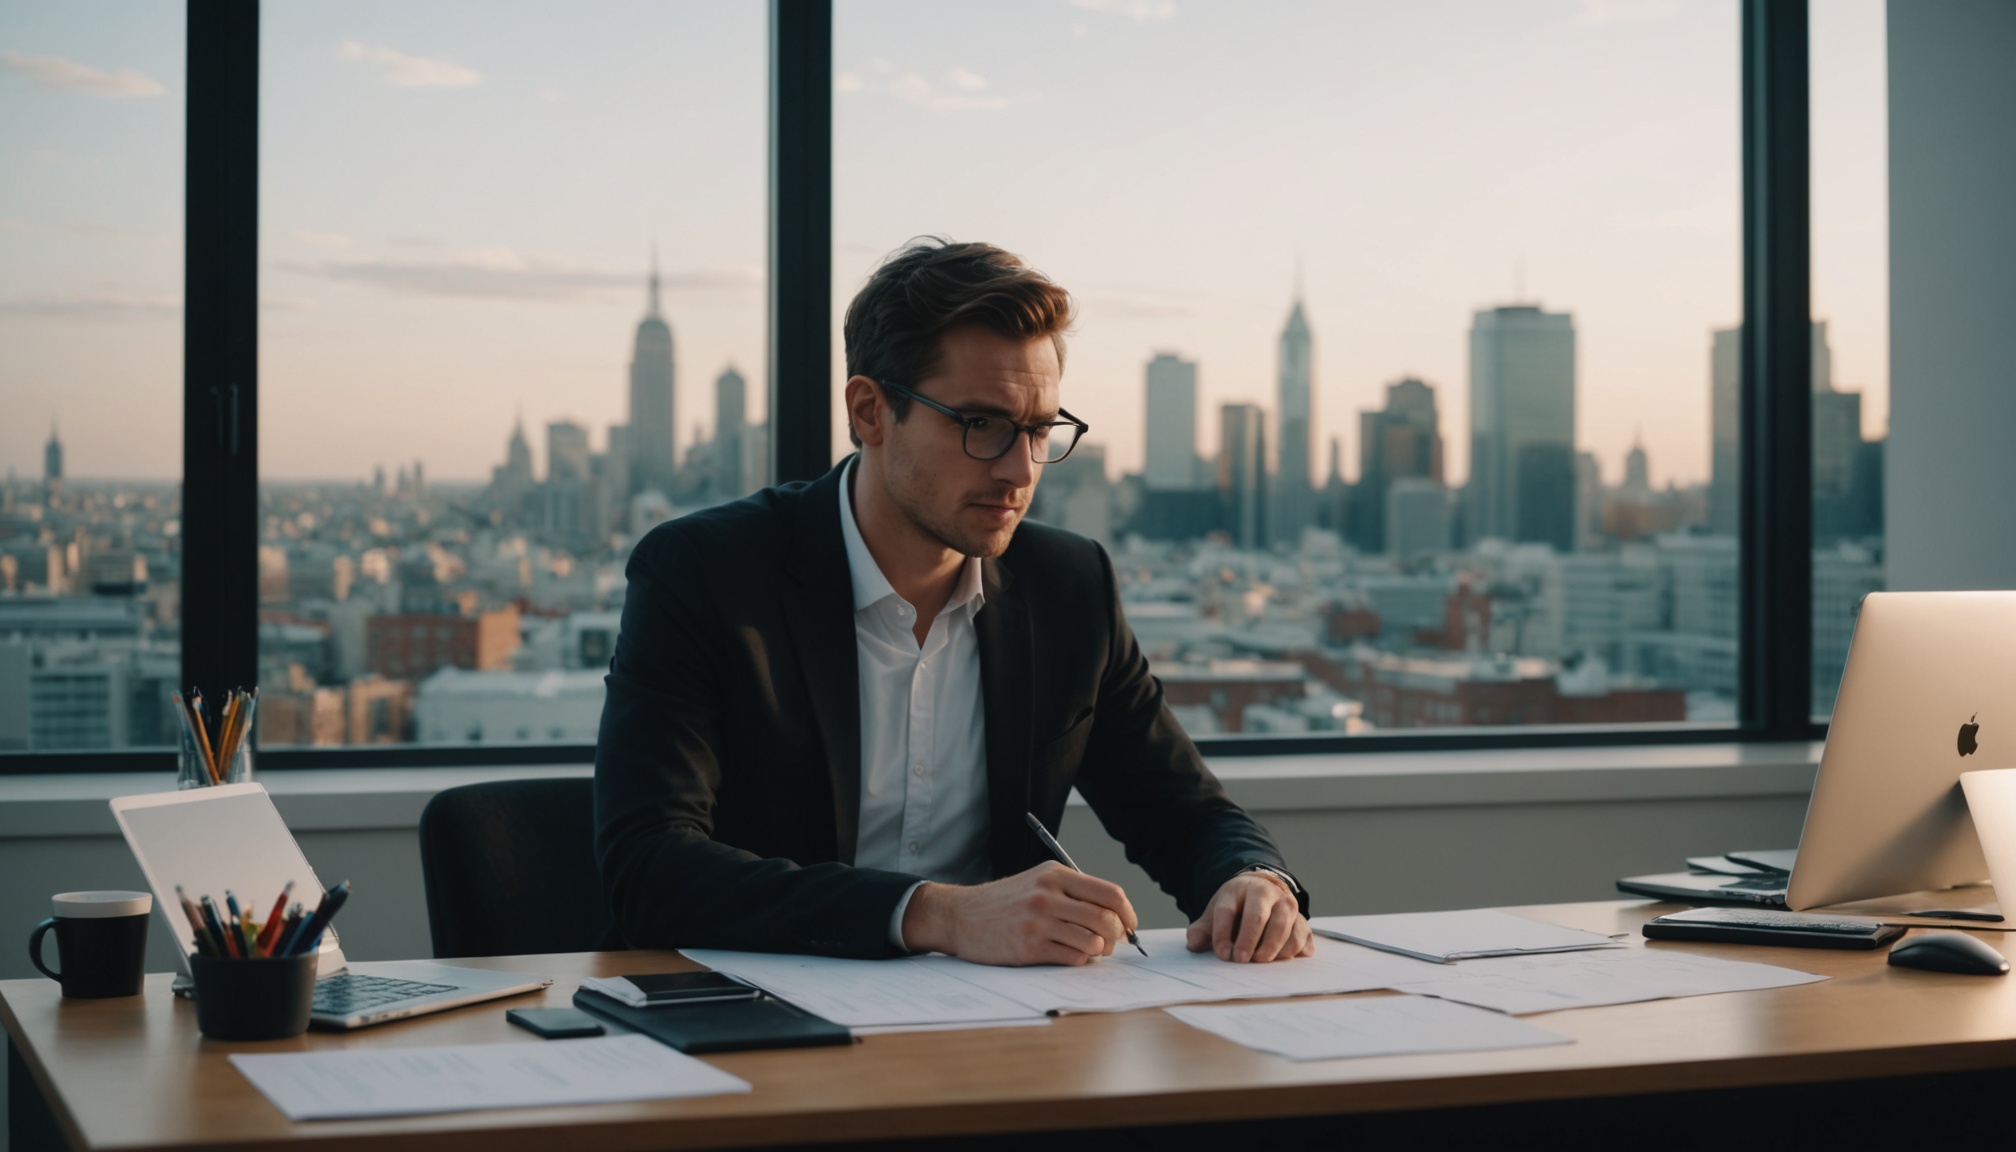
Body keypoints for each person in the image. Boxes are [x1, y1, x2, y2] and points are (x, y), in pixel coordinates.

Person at [595, 237, 1313, 967]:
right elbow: (649, 870)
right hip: (757, 1019)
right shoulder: (706, 572)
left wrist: (1251, 880)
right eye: (982, 426)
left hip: (991, 1025)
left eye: (1039, 431)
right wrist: (934, 913)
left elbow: (1182, 811)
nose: (1019, 469)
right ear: (870, 412)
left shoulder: (1068, 587)